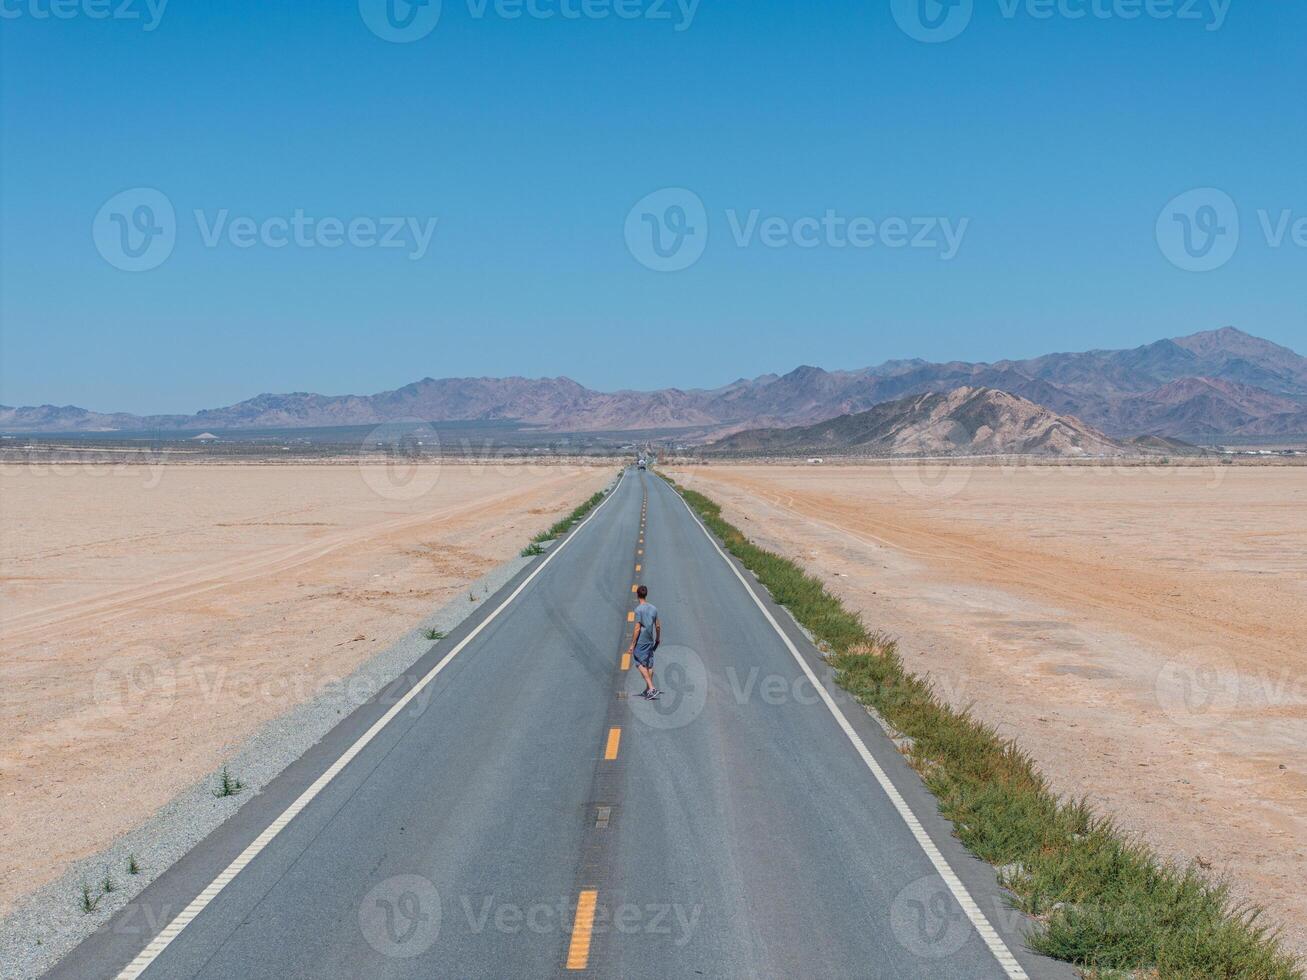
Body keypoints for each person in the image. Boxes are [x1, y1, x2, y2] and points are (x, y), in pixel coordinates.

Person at [630, 585, 661, 699]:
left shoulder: (638, 610)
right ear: (646, 594)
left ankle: (652, 688)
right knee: (649, 664)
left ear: (637, 595)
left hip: (641, 642)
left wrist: (632, 644)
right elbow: (657, 626)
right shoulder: (654, 608)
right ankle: (648, 690)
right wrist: (657, 639)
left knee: (638, 663)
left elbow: (637, 628)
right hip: (650, 640)